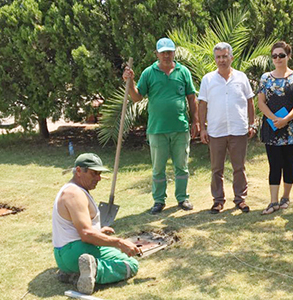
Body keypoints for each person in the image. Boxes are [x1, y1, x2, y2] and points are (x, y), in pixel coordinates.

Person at [123, 37, 198, 215]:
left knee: (182, 166)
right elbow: (136, 97)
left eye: (169, 52)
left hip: (180, 127)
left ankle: (182, 198)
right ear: (156, 54)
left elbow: (191, 98)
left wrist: (195, 121)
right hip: (157, 129)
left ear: (174, 52)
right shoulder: (149, 73)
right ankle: (158, 201)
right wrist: (130, 81)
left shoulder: (183, 71)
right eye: (162, 52)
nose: (166, 55)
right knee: (158, 168)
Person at [52, 153, 141, 294]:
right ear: (79, 171)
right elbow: (86, 234)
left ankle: (73, 274)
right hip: (76, 251)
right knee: (130, 264)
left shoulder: (71, 189)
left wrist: (98, 231)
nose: (98, 178)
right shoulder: (74, 194)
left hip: (63, 256)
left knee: (113, 254)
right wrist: (119, 242)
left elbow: (75, 227)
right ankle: (94, 271)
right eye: (94, 174)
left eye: (99, 174)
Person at [198, 42, 256, 214]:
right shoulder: (208, 79)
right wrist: (202, 128)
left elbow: (249, 101)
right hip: (216, 131)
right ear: (214, 59)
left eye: (225, 56)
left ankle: (240, 199)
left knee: (239, 167)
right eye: (218, 57)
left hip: (239, 130)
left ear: (231, 57)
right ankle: (218, 201)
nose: (221, 60)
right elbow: (202, 104)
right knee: (217, 168)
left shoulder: (241, 77)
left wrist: (252, 123)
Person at [257, 41, 293, 215]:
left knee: (288, 162)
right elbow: (261, 103)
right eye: (275, 56)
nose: (278, 58)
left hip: (292, 129)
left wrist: (286, 119)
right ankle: (273, 202)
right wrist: (275, 119)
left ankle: (286, 197)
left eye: (281, 55)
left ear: (288, 56)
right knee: (274, 164)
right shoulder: (265, 78)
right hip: (272, 128)